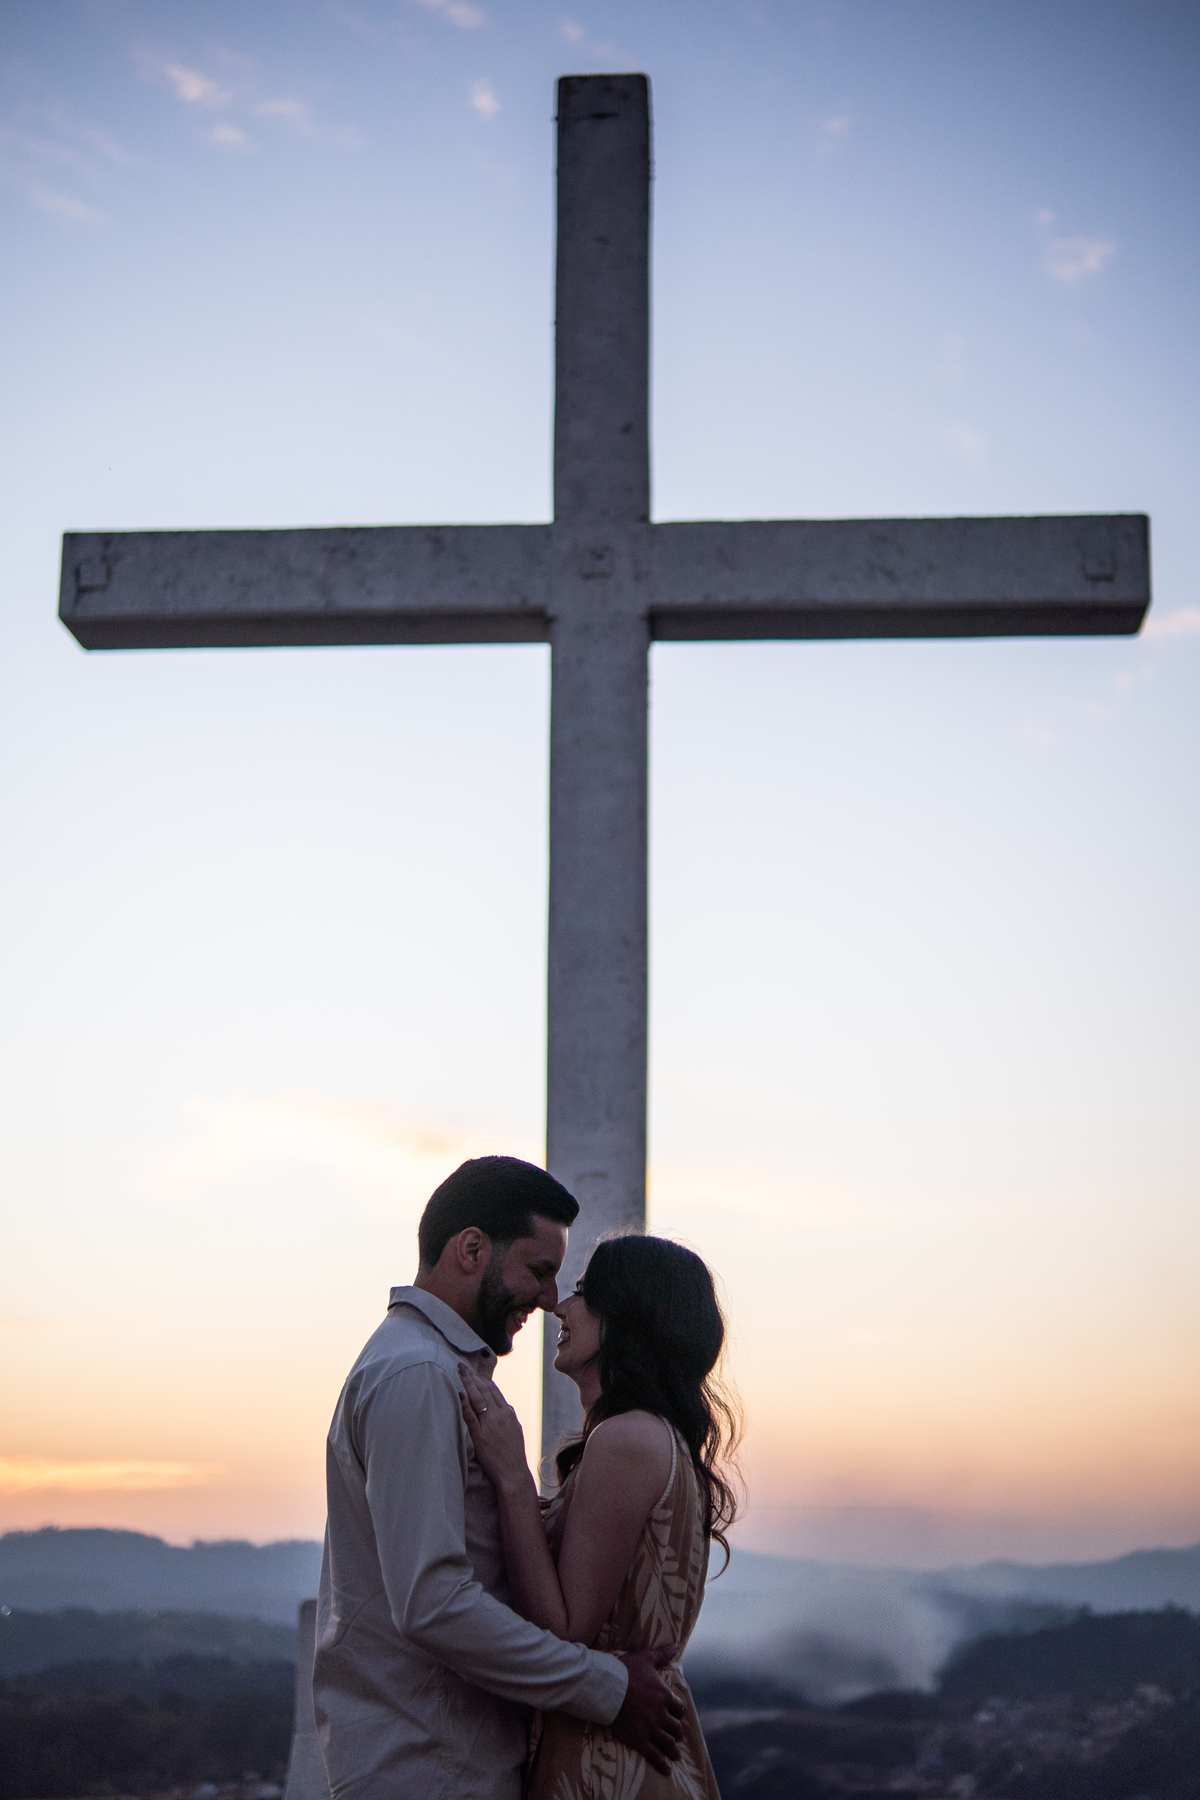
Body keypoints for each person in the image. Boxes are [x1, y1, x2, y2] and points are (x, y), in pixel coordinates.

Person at [314, 1156, 685, 1800]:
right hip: (429, 1768)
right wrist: (607, 1687)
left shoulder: (433, 1369)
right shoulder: (419, 1376)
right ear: (471, 1250)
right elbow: (433, 1603)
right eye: (539, 1271)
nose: (548, 1299)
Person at [458, 1232, 739, 1799]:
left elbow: (564, 1630)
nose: (560, 1306)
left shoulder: (626, 1439)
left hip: (609, 1764)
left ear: (630, 1317)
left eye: (585, 1292)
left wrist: (511, 1476)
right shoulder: (654, 1438)